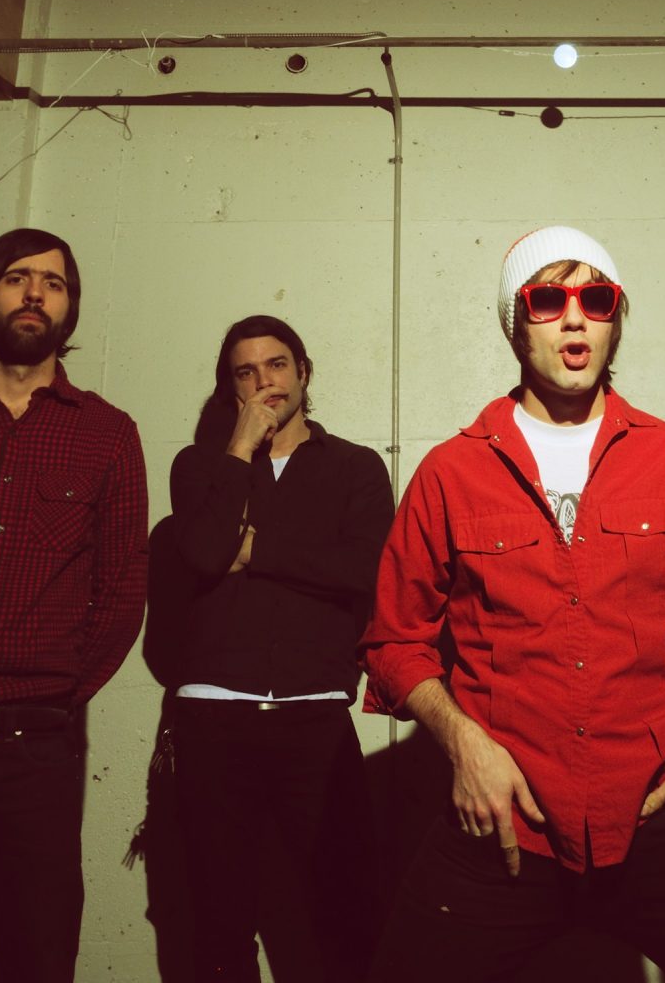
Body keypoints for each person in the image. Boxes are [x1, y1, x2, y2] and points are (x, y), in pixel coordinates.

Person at [361, 225, 665, 982]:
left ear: (613, 321)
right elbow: (394, 640)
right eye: (548, 300)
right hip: (508, 819)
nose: (574, 318)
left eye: (595, 299)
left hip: (664, 807)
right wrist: (466, 748)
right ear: (517, 324)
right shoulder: (451, 473)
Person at [0, 226, 148, 983]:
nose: (35, 293)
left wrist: (52, 696)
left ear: (70, 308)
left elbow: (121, 591)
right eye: (17, 276)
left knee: (35, 955)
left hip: (35, 749)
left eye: (53, 283)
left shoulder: (107, 434)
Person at [169, 314, 394, 983]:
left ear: (303, 372)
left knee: (347, 916)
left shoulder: (354, 467)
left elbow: (367, 571)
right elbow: (205, 551)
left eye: (276, 364)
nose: (264, 381)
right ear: (229, 387)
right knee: (218, 923)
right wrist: (240, 449)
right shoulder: (199, 467)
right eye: (245, 372)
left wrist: (256, 550)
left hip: (315, 715)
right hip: (212, 717)